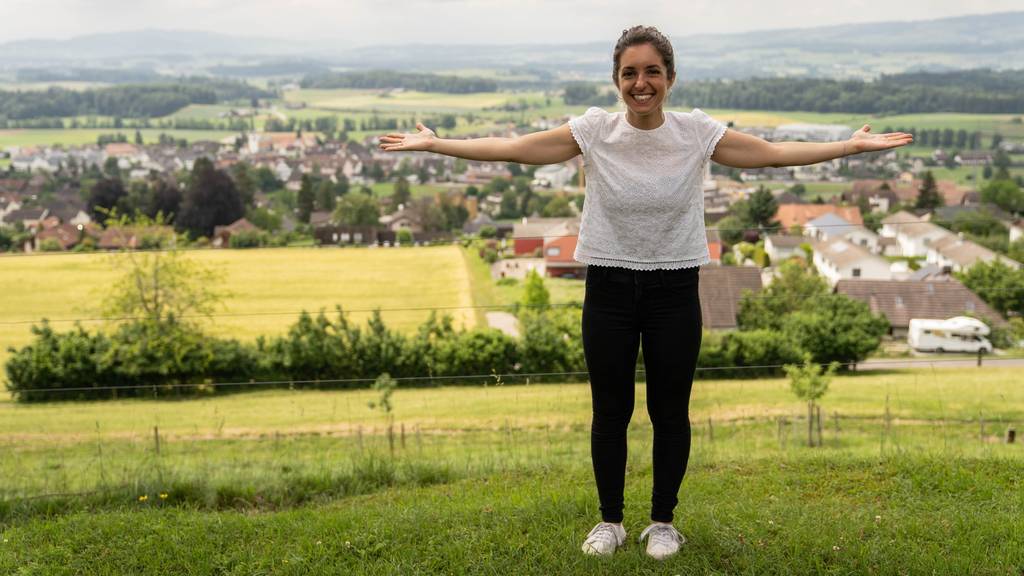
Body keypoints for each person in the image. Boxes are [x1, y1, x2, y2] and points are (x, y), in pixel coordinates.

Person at [380, 25, 912, 560]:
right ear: (616, 80)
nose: (641, 83)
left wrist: (850, 146)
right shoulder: (594, 131)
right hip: (608, 286)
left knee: (670, 412)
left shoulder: (696, 132)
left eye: (652, 71)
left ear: (670, 78)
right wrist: (438, 144)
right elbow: (518, 150)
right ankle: (609, 522)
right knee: (609, 411)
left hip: (674, 288)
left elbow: (771, 153)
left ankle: (662, 523)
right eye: (630, 73)